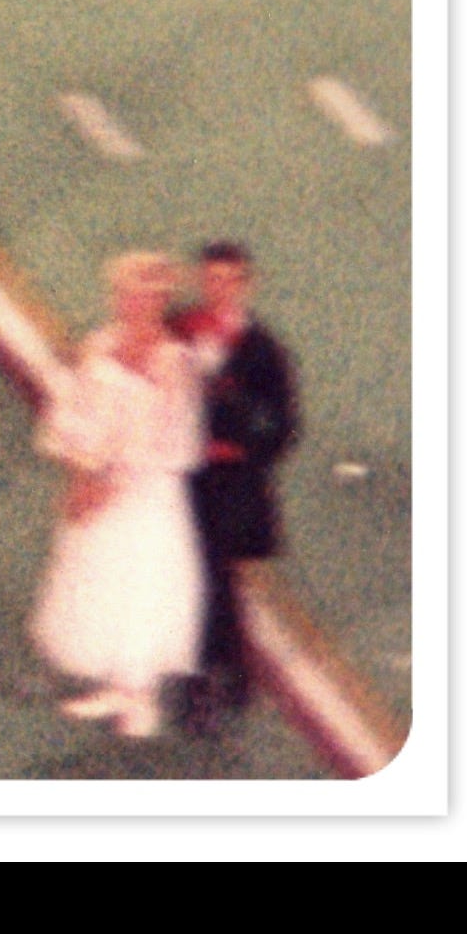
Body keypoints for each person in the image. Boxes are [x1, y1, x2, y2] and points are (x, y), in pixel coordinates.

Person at [35, 252, 210, 738]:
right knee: (100, 581)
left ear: (158, 302)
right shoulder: (99, 344)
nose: (128, 303)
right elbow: (73, 412)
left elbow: (167, 441)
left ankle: (140, 694)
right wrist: (80, 474)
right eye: (123, 293)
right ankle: (118, 684)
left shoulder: (173, 362)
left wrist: (108, 485)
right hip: (98, 482)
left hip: (143, 494)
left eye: (140, 296)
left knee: (138, 586)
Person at [182, 243, 301, 736]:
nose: (219, 289)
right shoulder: (182, 329)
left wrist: (248, 455)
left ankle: (209, 679)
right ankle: (232, 673)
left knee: (215, 579)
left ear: (246, 285)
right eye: (212, 279)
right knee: (210, 579)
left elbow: (286, 423)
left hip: (230, 482)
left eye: (230, 281)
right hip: (183, 474)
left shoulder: (265, 351)